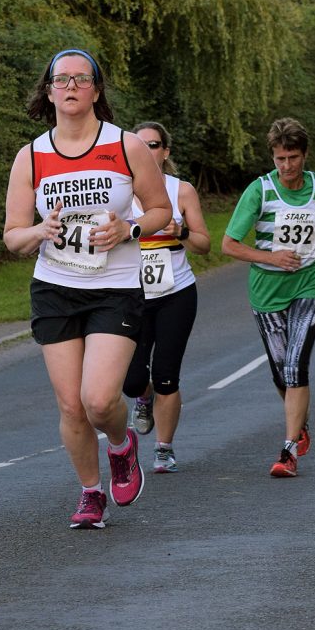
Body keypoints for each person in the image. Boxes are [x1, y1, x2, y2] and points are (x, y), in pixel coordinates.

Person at [3, 49, 171, 529]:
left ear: (97, 90)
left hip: (115, 286)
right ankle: (90, 493)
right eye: (62, 79)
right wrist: (39, 231)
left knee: (99, 400)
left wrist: (129, 229)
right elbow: (13, 235)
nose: (71, 86)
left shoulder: (126, 146)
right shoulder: (31, 156)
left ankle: (120, 444)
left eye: (82, 79)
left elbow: (161, 210)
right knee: (71, 404)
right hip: (55, 288)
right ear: (50, 90)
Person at [221, 117, 315, 478]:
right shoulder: (259, 191)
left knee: (295, 365)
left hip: (311, 283)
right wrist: (270, 257)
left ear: (304, 155)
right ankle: (300, 424)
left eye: (293, 157)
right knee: (281, 372)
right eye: (280, 159)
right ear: (272, 158)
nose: (287, 166)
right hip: (267, 290)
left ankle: (288, 450)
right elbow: (228, 244)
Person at [123, 122, 211, 473]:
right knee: (131, 379)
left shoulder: (181, 191)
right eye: (141, 146)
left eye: (155, 145)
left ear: (166, 152)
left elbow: (204, 244)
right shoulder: (120, 192)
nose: (148, 151)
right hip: (131, 294)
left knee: (166, 375)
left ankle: (164, 448)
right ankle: (143, 399)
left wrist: (182, 231)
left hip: (176, 293)